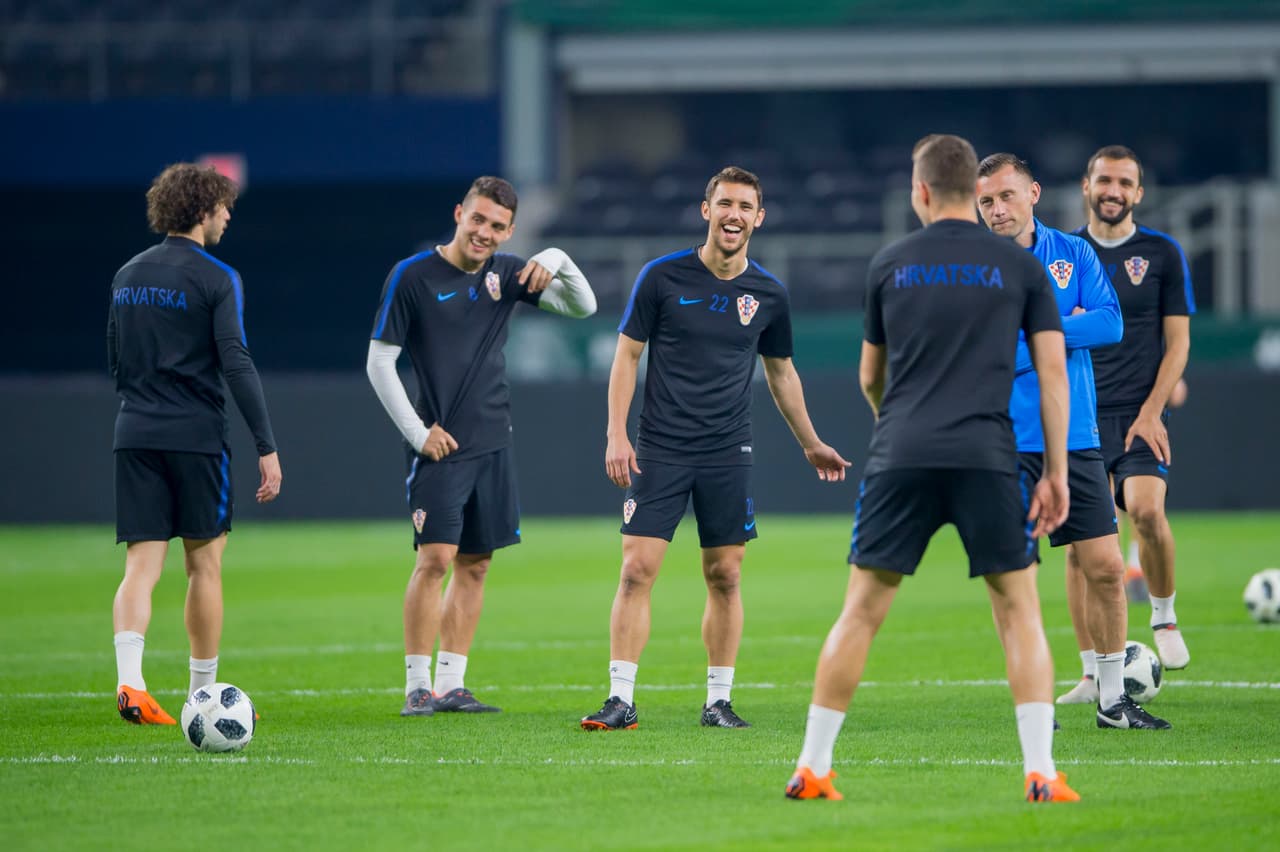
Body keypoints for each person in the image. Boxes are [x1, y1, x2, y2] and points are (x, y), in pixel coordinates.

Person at [786, 135, 1079, 803]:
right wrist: (1056, 471)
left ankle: (813, 767)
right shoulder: (1018, 266)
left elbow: (870, 376)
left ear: (919, 191)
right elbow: (1055, 372)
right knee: (1019, 612)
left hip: (902, 455)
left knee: (859, 613)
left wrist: (899, 424)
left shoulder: (889, 264)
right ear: (973, 195)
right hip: (987, 455)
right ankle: (1041, 771)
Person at [580, 166, 850, 732]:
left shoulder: (769, 293)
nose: (734, 214)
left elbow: (782, 374)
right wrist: (615, 432)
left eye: (745, 206)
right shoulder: (661, 278)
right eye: (724, 203)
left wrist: (812, 443)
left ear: (759, 217)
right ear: (707, 210)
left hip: (728, 451)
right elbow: (626, 356)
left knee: (725, 574)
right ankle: (620, 698)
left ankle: (718, 702)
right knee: (637, 569)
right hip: (660, 448)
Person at [367, 176, 597, 717]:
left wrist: (557, 255)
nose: (485, 232)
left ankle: (451, 684)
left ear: (510, 230)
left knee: (476, 563)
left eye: (497, 226)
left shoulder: (508, 273)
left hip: (493, 438)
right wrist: (418, 433)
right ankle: (417, 686)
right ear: (459, 214)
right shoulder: (413, 275)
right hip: (439, 445)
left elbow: (583, 307)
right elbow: (380, 361)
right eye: (478, 220)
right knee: (435, 559)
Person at [976, 153, 1168, 729]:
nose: (996, 209)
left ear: (1033, 193)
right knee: (1015, 577)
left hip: (1075, 439)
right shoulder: (975, 266)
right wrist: (1063, 329)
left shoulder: (1073, 251)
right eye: (986, 201)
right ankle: (1032, 697)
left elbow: (1110, 323)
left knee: (1106, 567)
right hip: (1002, 441)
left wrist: (1029, 336)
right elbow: (981, 350)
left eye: (1006, 196)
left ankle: (1112, 698)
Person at [109, 162, 283, 725]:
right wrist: (266, 443)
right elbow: (236, 362)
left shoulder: (127, 275)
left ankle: (130, 683)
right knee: (203, 566)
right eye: (223, 206)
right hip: (196, 438)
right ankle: (200, 696)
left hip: (134, 430)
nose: (228, 215)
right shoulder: (217, 276)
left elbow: (116, 361)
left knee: (141, 567)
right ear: (201, 209)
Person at [1073, 146, 1194, 671]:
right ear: (1087, 185)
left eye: (1125, 183)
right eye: (1105, 180)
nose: (1113, 191)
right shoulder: (1064, 253)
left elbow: (1179, 343)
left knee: (1146, 510)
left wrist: (1154, 410)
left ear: (1138, 193)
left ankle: (1163, 618)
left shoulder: (1162, 253)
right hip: (1080, 414)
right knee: (1082, 550)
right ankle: (1090, 668)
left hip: (1141, 412)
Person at [1120, 376, 1187, 602]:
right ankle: (1119, 568)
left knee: (1139, 503)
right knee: (1109, 491)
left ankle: (1133, 567)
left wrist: (1174, 378)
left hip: (1140, 408)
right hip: (1100, 400)